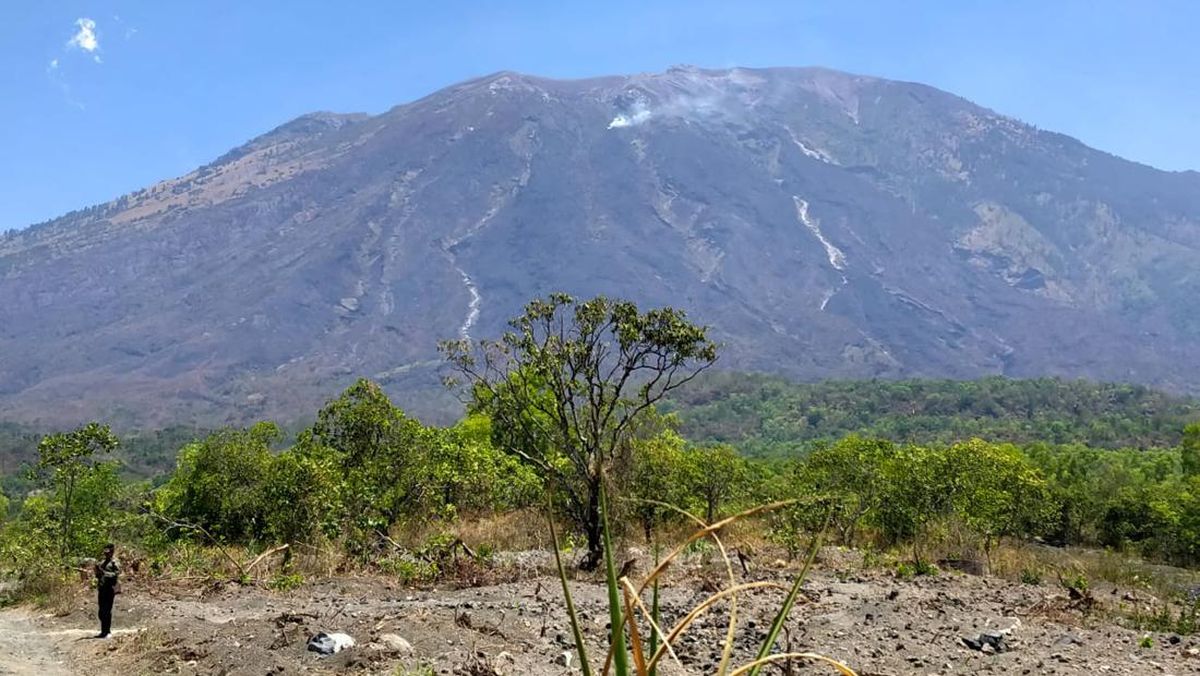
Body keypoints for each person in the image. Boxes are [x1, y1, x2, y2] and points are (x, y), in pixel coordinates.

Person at [93, 543, 120, 638]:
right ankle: (103, 631)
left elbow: (115, 575)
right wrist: (97, 571)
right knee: (101, 612)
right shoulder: (102, 562)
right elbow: (98, 576)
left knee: (107, 611)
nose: (106, 554)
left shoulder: (114, 562)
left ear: (112, 552)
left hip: (109, 589)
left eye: (108, 553)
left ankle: (107, 631)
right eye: (105, 553)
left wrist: (104, 573)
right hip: (102, 589)